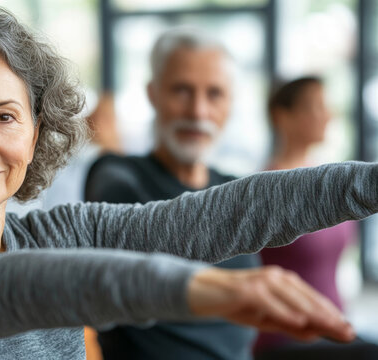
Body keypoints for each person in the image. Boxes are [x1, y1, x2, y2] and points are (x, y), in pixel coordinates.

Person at [0, 7, 377, 360]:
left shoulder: (56, 234)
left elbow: (219, 215)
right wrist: (207, 290)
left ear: (36, 131)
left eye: (4, 117)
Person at [85, 28, 260, 360]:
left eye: (214, 94)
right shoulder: (117, 175)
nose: (198, 112)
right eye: (182, 90)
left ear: (231, 104)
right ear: (152, 93)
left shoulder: (238, 188)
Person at [255, 77, 378, 359]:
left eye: (326, 106)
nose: (327, 116)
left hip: (334, 328)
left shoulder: (328, 185)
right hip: (283, 338)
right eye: (314, 107)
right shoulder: (266, 190)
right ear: (281, 117)